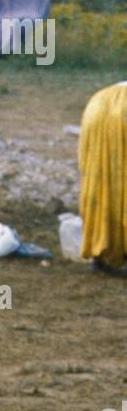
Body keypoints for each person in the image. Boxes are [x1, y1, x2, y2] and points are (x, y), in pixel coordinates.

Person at [79, 81, 127, 274]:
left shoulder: (103, 95)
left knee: (100, 180)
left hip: (98, 105)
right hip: (121, 111)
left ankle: (100, 251)